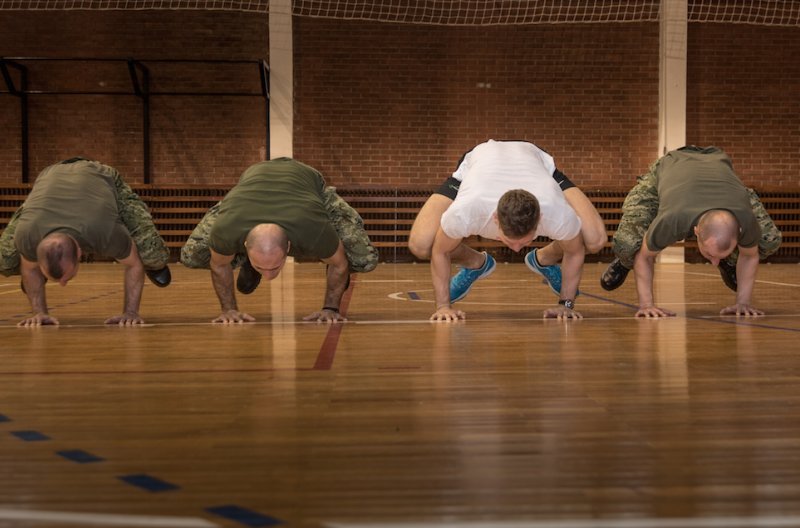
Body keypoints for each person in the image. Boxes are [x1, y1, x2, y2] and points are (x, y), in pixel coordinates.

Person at [408, 139, 607, 321]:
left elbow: (574, 250)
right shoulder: (467, 210)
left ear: (540, 220)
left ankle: (544, 259)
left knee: (595, 240)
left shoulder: (557, 212)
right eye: (510, 240)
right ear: (495, 219)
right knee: (421, 245)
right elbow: (440, 250)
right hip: (481, 158)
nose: (516, 249)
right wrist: (443, 306)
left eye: (525, 241)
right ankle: (476, 263)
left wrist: (567, 304)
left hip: (535, 159)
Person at [180, 157, 378, 323]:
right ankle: (248, 260)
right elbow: (219, 264)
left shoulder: (312, 227)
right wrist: (229, 310)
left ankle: (327, 255)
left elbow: (341, 264)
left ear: (289, 246)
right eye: (262, 268)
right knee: (192, 256)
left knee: (363, 259)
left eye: (274, 268)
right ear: (246, 245)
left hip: (307, 183)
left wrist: (330, 309)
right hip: (249, 187)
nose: (269, 277)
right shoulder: (227, 228)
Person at [600, 145, 782, 317]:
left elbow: (750, 256)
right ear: (695, 231)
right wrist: (647, 305)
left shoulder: (745, 219)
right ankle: (624, 262)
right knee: (628, 243)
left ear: (740, 230)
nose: (712, 263)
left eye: (717, 257)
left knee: (769, 240)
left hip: (717, 166)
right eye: (711, 255)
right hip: (669, 168)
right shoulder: (672, 219)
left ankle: (728, 261)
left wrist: (743, 302)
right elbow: (646, 257)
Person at [0, 158, 172, 326]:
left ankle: (154, 266)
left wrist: (130, 313)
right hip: (50, 176)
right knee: (5, 262)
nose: (63, 284)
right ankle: (40, 275)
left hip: (101, 176)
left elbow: (134, 264)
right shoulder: (27, 235)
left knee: (152, 256)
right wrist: (39, 312)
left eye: (66, 278)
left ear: (80, 252)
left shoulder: (104, 231)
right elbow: (29, 268)